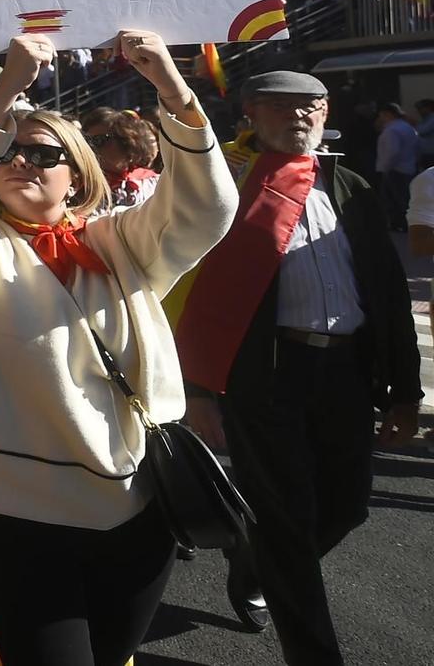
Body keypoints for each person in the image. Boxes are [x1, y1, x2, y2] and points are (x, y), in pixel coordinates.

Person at [0, 30, 236, 666]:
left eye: (42, 152)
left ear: (77, 176)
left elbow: (208, 208)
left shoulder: (121, 242)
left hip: (135, 506)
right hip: (12, 509)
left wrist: (171, 86)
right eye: (8, 150)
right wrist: (7, 88)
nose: (21, 161)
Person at [172, 69, 423, 662]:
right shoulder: (226, 189)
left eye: (311, 105)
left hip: (347, 375)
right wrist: (199, 390)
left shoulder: (351, 187)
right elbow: (201, 294)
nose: (300, 117)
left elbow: (388, 296)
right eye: (282, 107)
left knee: (347, 507)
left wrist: (405, 391)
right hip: (266, 379)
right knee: (287, 520)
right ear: (251, 115)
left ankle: (256, 566)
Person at [84, 109, 161, 212]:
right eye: (87, 142)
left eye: (99, 140)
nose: (91, 148)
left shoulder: (154, 184)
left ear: (127, 141)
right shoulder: (84, 190)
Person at [372, 102, 418, 232]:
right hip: (409, 167)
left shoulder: (392, 130)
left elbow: (392, 152)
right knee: (406, 198)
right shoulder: (407, 127)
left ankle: (400, 224)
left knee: (395, 200)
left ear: (387, 114)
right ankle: (408, 224)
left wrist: (384, 168)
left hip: (395, 169)